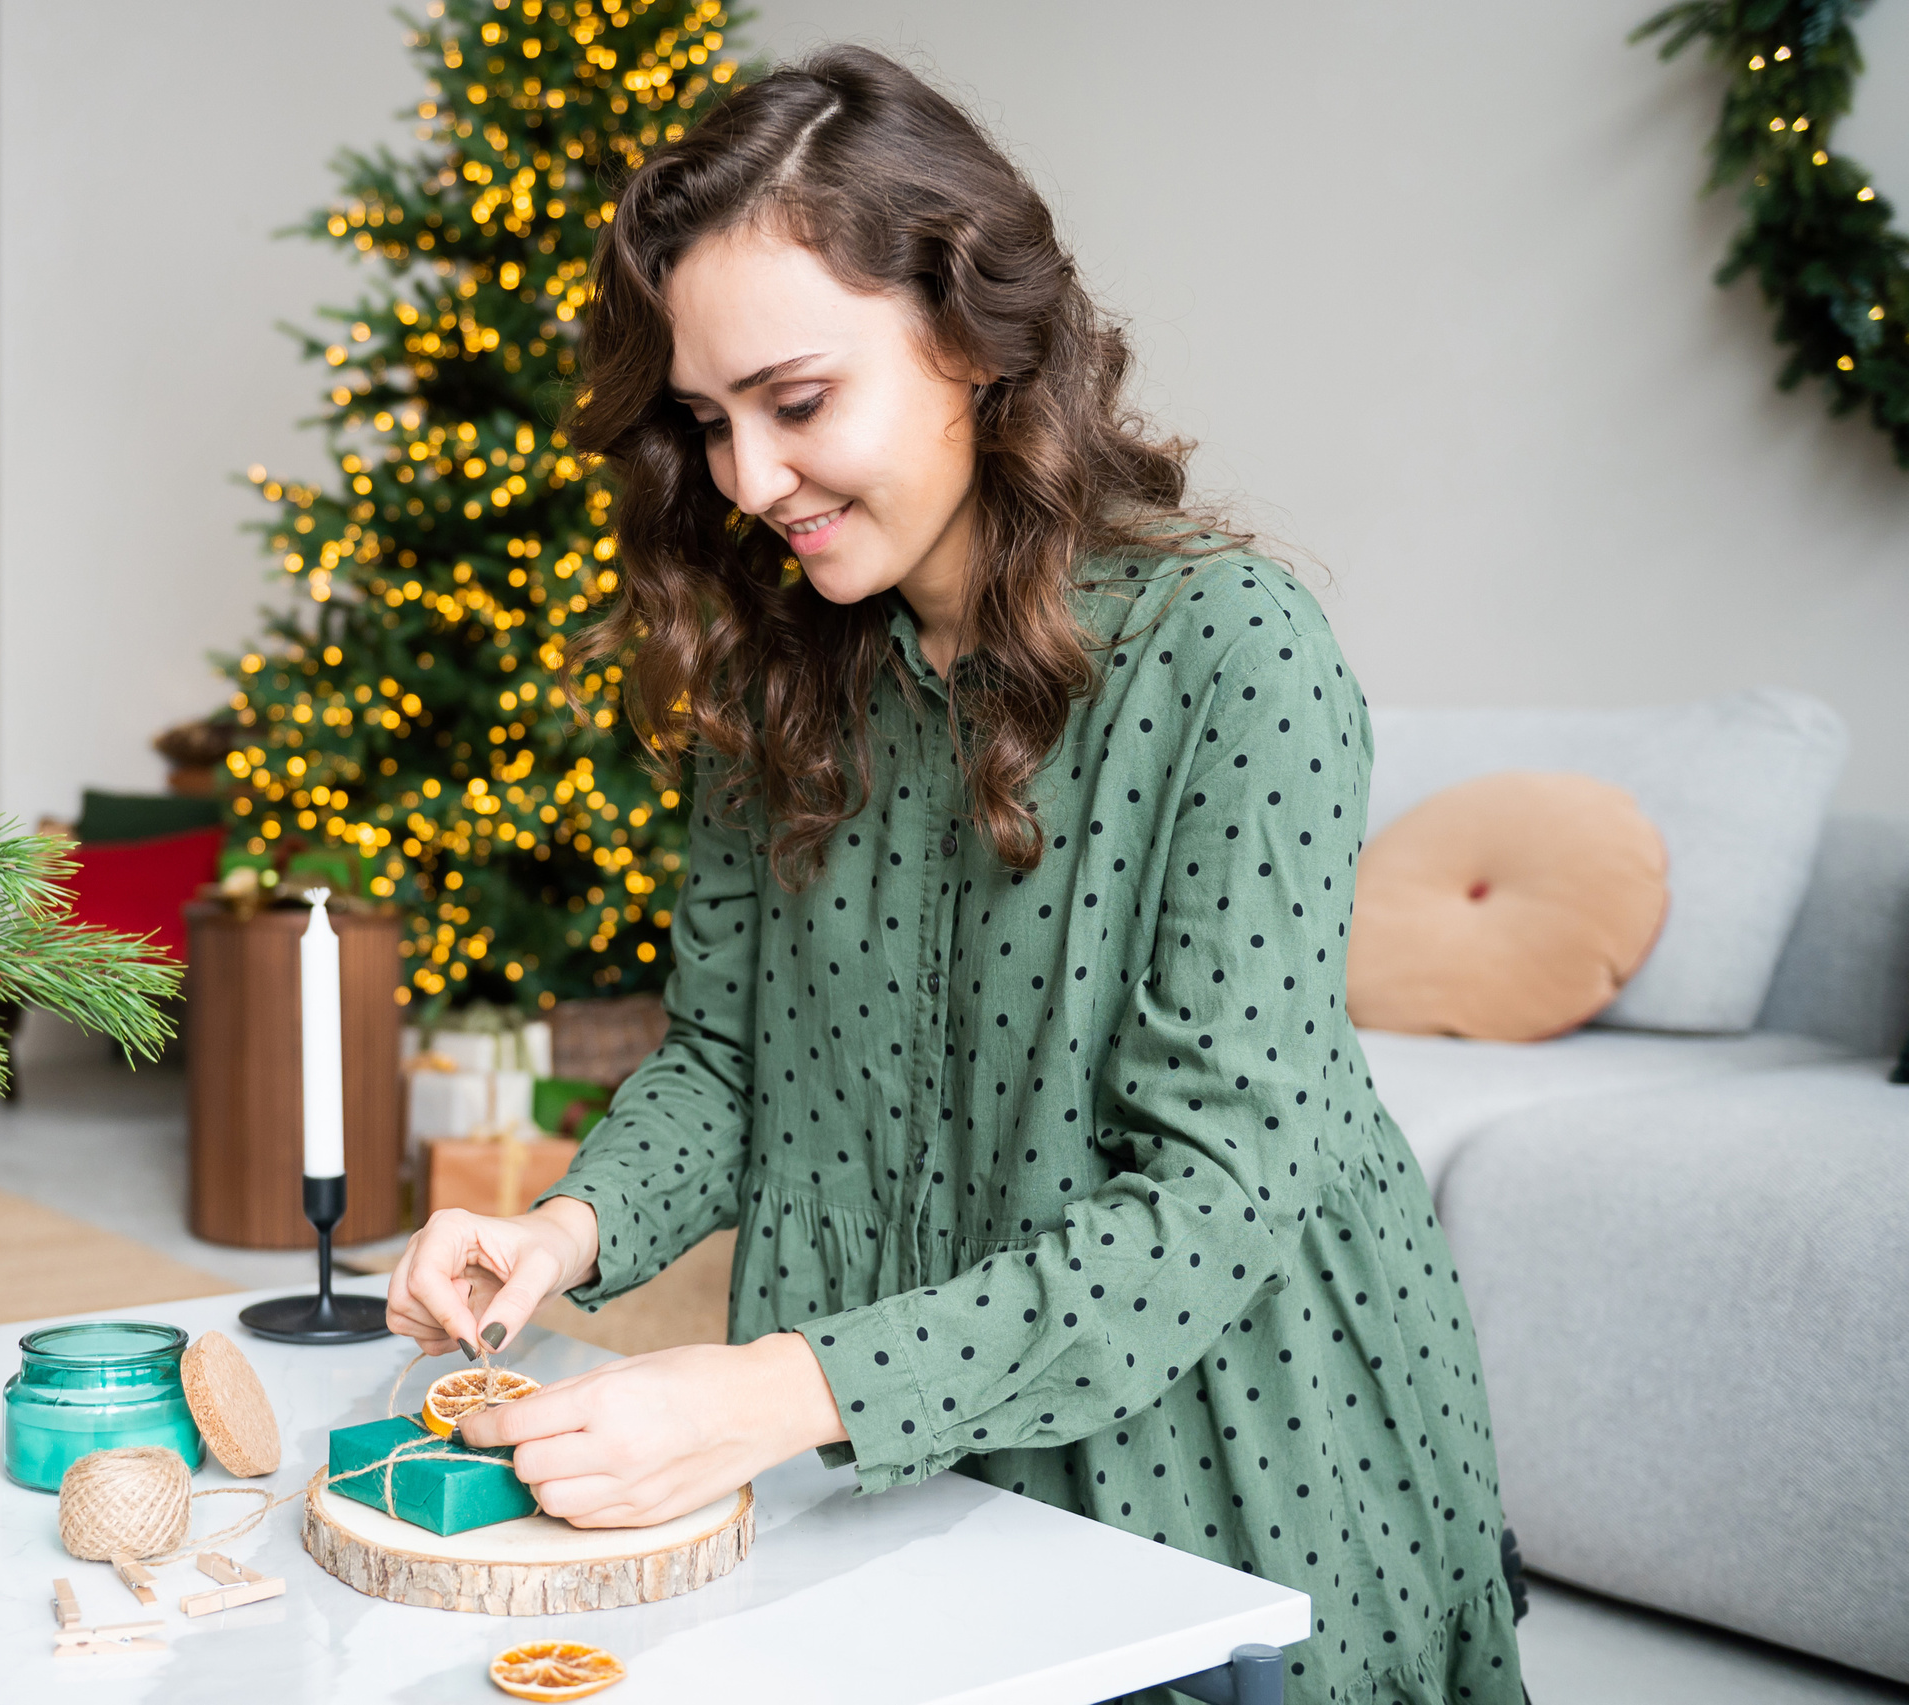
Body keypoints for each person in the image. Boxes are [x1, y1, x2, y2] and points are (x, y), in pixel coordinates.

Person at [385, 45, 1525, 1705]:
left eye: (796, 402)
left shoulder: (1234, 653)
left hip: (1229, 1463)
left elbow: (1209, 1200)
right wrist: (567, 1227)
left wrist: (769, 1389)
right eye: (709, 424)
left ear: (970, 337)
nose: (748, 483)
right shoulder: (777, 674)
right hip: (886, 1451)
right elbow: (726, 1060)